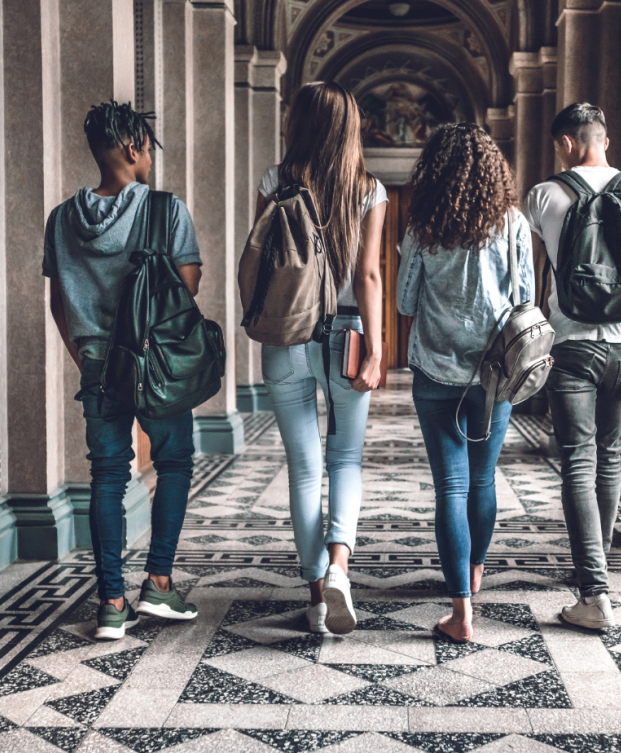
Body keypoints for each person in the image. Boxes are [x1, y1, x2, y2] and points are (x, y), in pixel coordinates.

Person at [45, 101, 201, 640]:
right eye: (148, 150)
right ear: (134, 147)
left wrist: (86, 357)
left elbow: (59, 303)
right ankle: (158, 583)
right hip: (157, 362)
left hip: (97, 365)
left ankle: (112, 603)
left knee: (108, 477)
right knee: (174, 460)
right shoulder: (165, 209)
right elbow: (187, 289)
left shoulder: (63, 218)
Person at [524, 103, 621, 629]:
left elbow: (536, 279)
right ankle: (597, 570)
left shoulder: (544, 195)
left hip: (572, 345)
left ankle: (594, 590)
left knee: (578, 463)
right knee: (610, 459)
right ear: (605, 140)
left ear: (565, 142)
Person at [253, 82, 386, 635]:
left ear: (299, 124)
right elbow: (369, 275)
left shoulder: (273, 181)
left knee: (305, 468)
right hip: (348, 332)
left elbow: (260, 259)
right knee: (345, 461)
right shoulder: (369, 189)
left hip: (286, 334)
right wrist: (378, 350)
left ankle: (315, 595)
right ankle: (339, 567)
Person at [397, 123, 535, 643]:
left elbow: (405, 303)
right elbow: (524, 297)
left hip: (435, 369)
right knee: (482, 479)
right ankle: (474, 572)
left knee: (450, 486)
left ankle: (461, 611)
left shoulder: (421, 226)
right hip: (496, 372)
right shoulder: (512, 223)